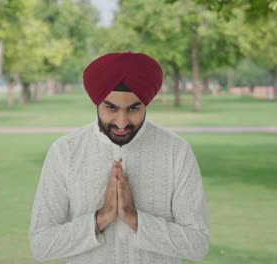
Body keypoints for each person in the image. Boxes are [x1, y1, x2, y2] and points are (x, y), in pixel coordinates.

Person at [29, 51, 210, 264]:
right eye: (111, 108)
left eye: (133, 108)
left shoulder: (176, 152)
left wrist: (135, 220)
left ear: (146, 104)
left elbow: (198, 244)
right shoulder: (65, 152)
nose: (122, 122)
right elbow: (41, 243)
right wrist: (100, 219)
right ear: (97, 103)